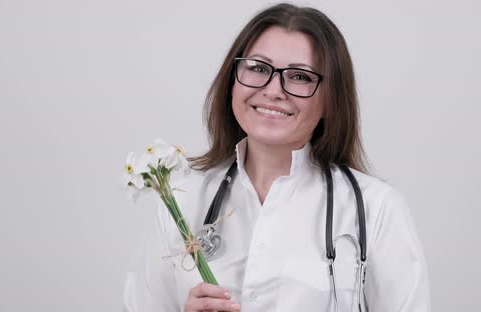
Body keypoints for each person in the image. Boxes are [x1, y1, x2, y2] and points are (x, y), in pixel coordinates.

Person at [122, 3, 430, 312]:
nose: (273, 90)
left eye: (299, 76)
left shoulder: (377, 210)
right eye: (257, 68)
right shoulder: (182, 201)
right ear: (233, 79)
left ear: (331, 98)